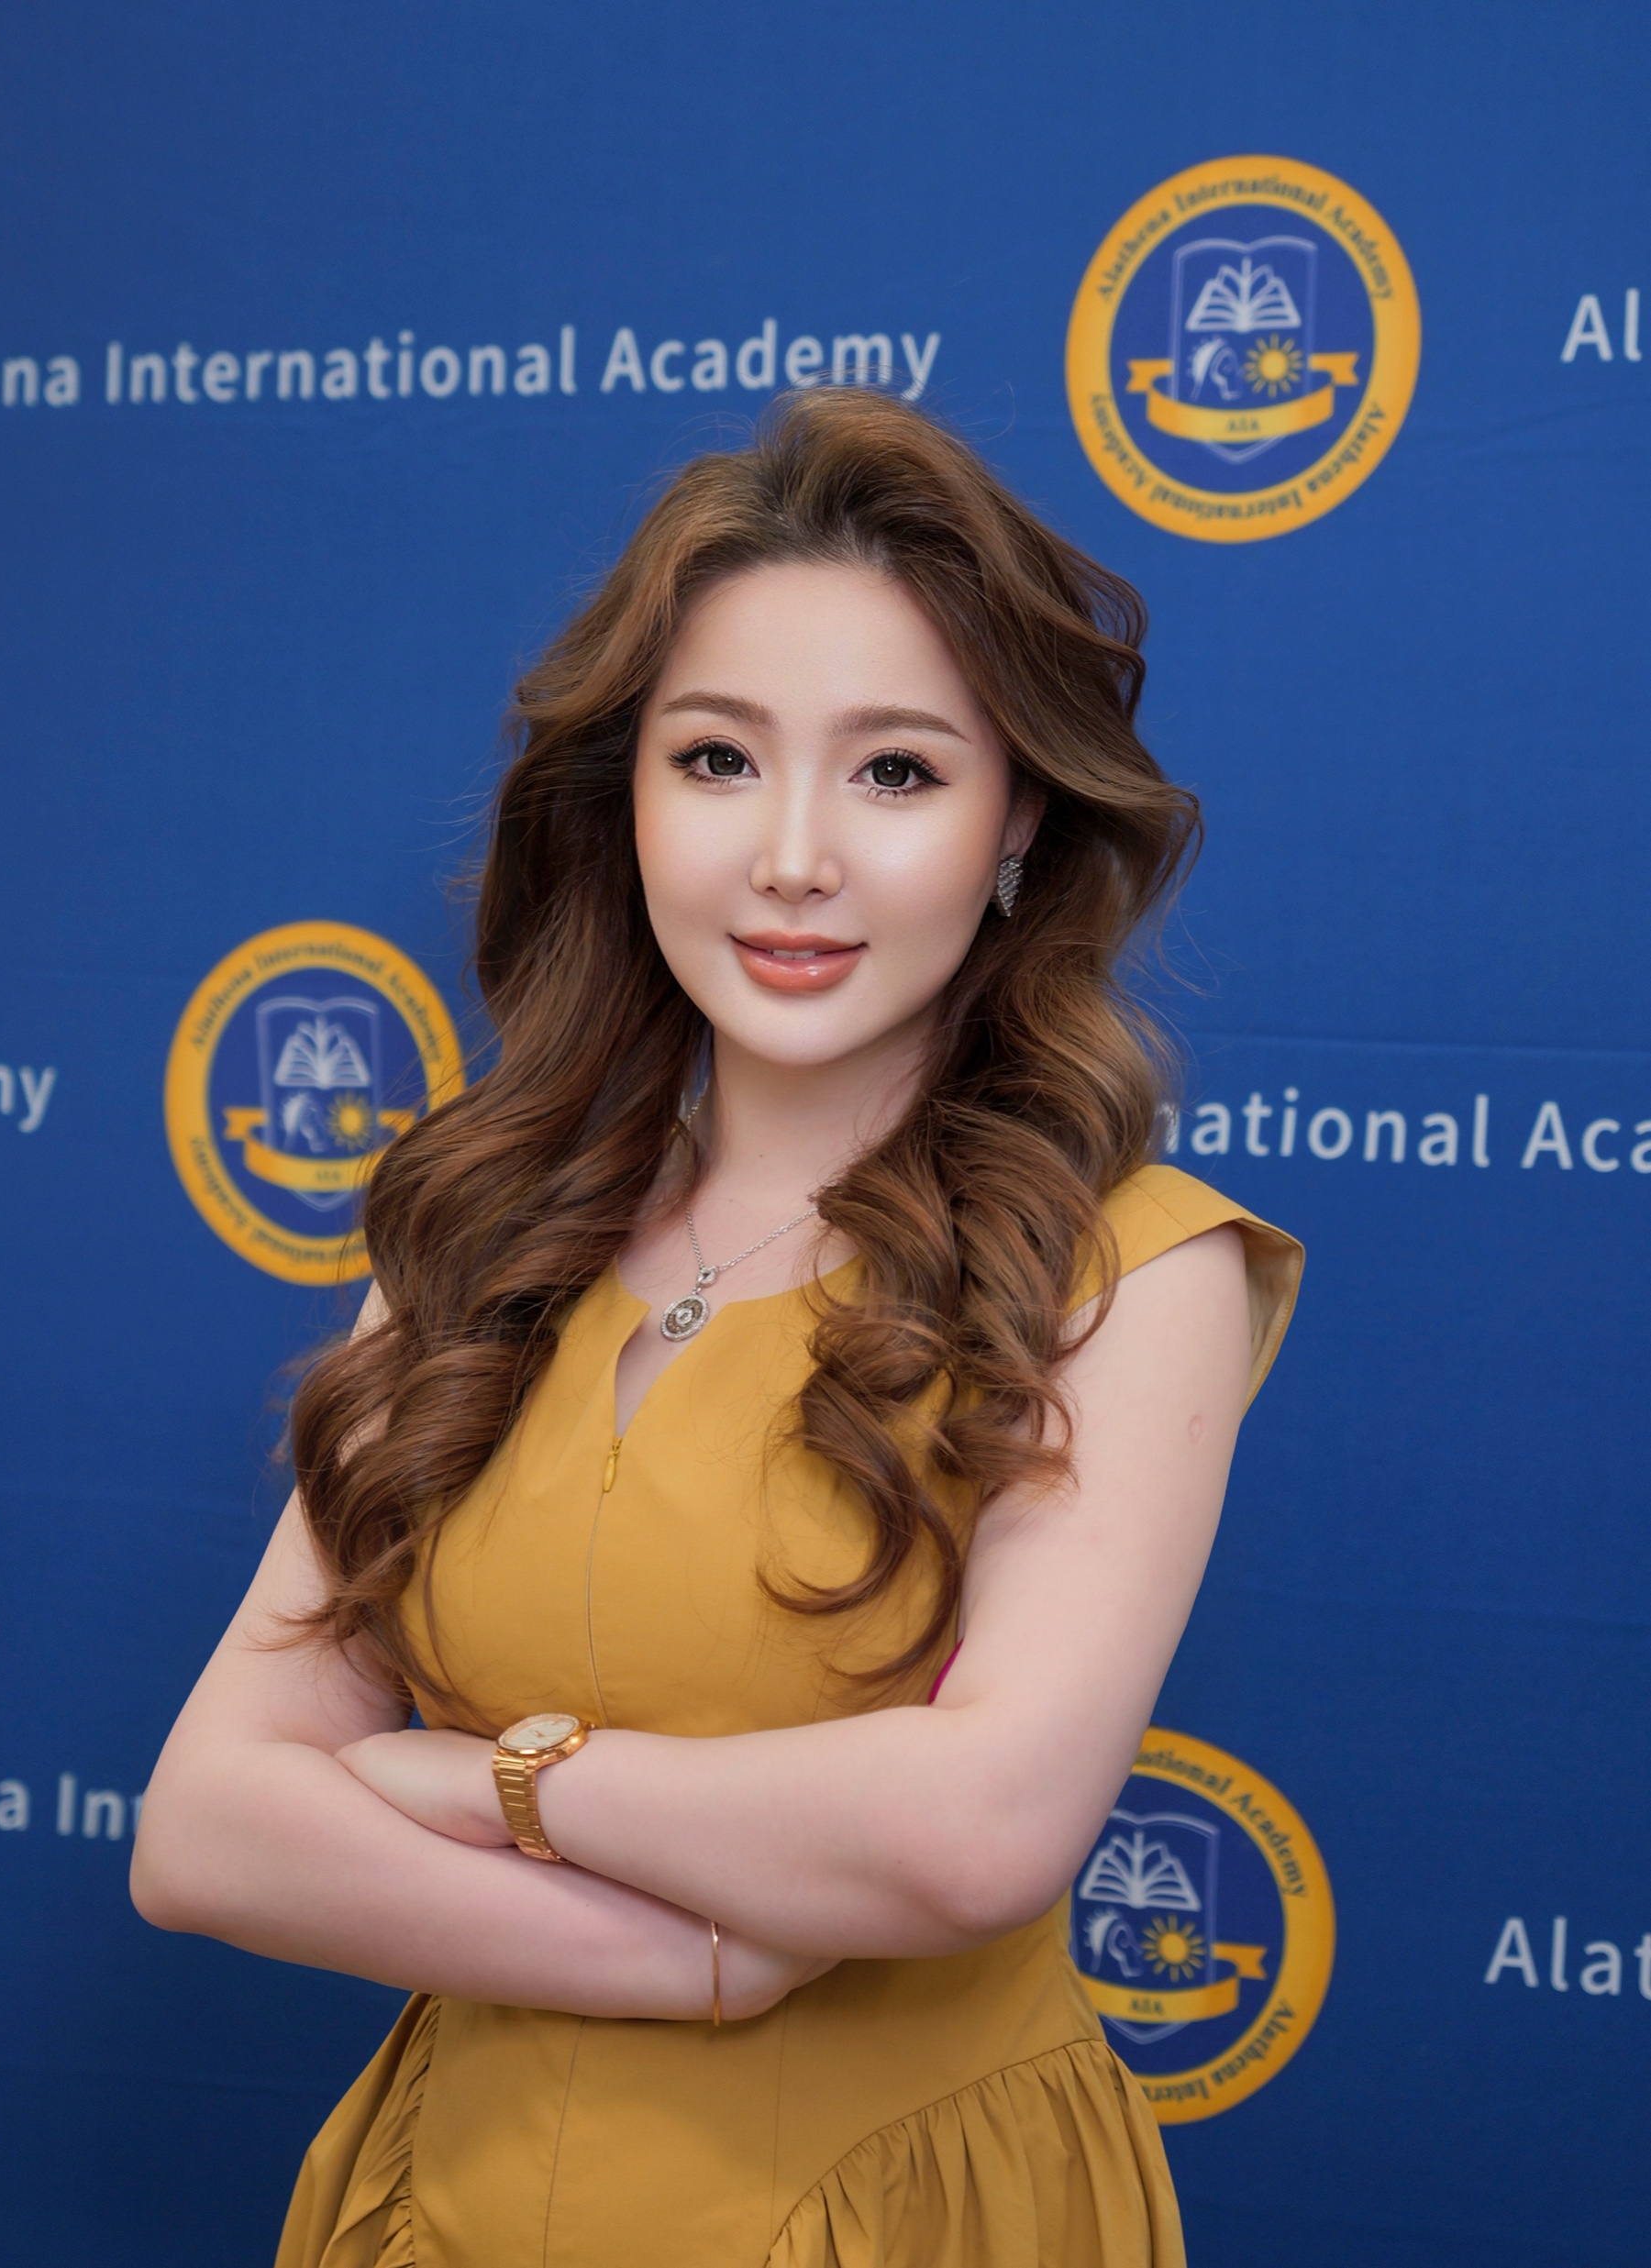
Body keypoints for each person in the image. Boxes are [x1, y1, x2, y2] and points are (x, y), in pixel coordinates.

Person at [132, 388, 1302, 2268]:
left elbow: (978, 1832)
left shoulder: (1127, 1268)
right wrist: (686, 1964)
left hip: (905, 2215)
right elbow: (205, 1831)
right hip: (454, 2204)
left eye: (897, 772)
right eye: (717, 759)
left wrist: (493, 1778)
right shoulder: (475, 1241)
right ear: (627, 800)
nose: (792, 857)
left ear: (1016, 821)